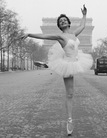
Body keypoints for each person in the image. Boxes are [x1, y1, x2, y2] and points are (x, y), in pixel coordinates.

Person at [22, 4, 93, 136]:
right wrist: (29, 34)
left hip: (77, 60)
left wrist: (84, 15)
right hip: (67, 63)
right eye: (61, 21)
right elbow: (45, 36)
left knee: (71, 93)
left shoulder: (74, 34)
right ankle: (69, 120)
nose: (63, 21)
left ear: (68, 23)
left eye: (65, 20)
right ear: (59, 26)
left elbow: (83, 26)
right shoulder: (60, 37)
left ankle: (47, 65)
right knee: (70, 94)